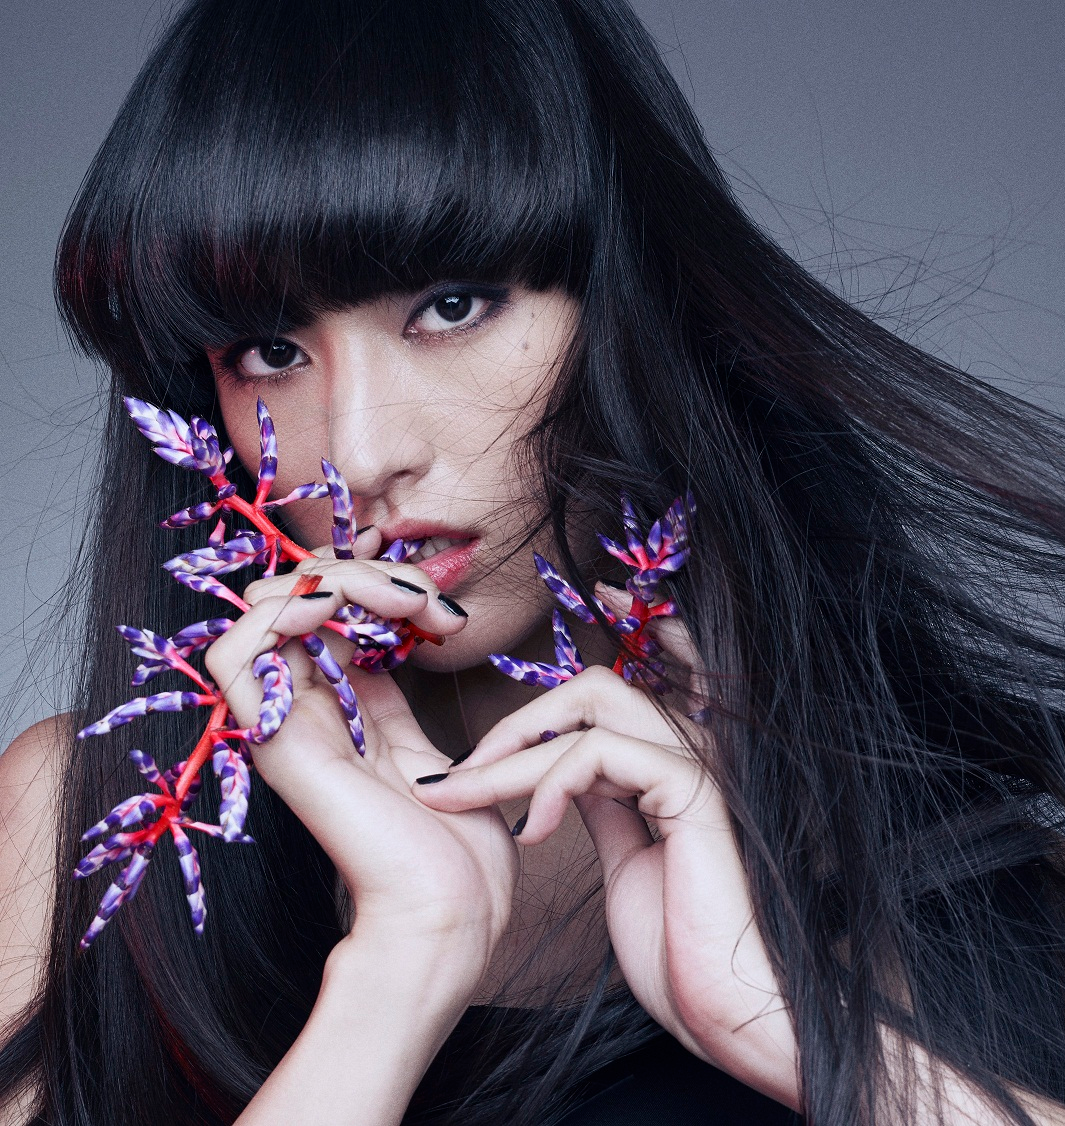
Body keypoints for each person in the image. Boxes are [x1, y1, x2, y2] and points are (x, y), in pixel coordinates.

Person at [1, 0, 1064, 1122]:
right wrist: (402, 964)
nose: (358, 453)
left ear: (634, 301)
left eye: (451, 306)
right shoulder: (81, 822)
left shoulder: (967, 851)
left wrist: (769, 1021)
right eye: (270, 352)